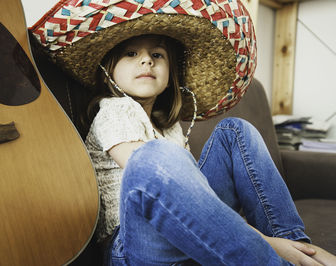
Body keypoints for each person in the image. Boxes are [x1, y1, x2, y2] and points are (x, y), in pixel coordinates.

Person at [30, 0, 336, 265]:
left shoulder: (170, 128)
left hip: (185, 230)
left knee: (235, 131)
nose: (146, 60)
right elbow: (157, 176)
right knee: (157, 155)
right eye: (131, 54)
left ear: (169, 75)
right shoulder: (113, 111)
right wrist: (266, 244)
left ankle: (300, 248)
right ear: (108, 70)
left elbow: (197, 197)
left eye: (157, 55)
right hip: (132, 246)